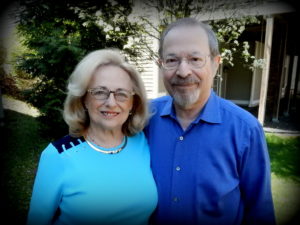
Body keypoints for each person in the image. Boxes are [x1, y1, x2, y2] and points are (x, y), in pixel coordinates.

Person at [144, 17, 276, 225]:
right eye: (171, 60)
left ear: (215, 64)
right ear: (161, 65)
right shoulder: (144, 119)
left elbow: (260, 211)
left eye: (195, 59)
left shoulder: (245, 130)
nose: (183, 71)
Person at [27, 49, 158, 225]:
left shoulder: (143, 143)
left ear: (133, 103)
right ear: (83, 99)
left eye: (121, 94)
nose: (111, 102)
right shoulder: (58, 155)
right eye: (99, 92)